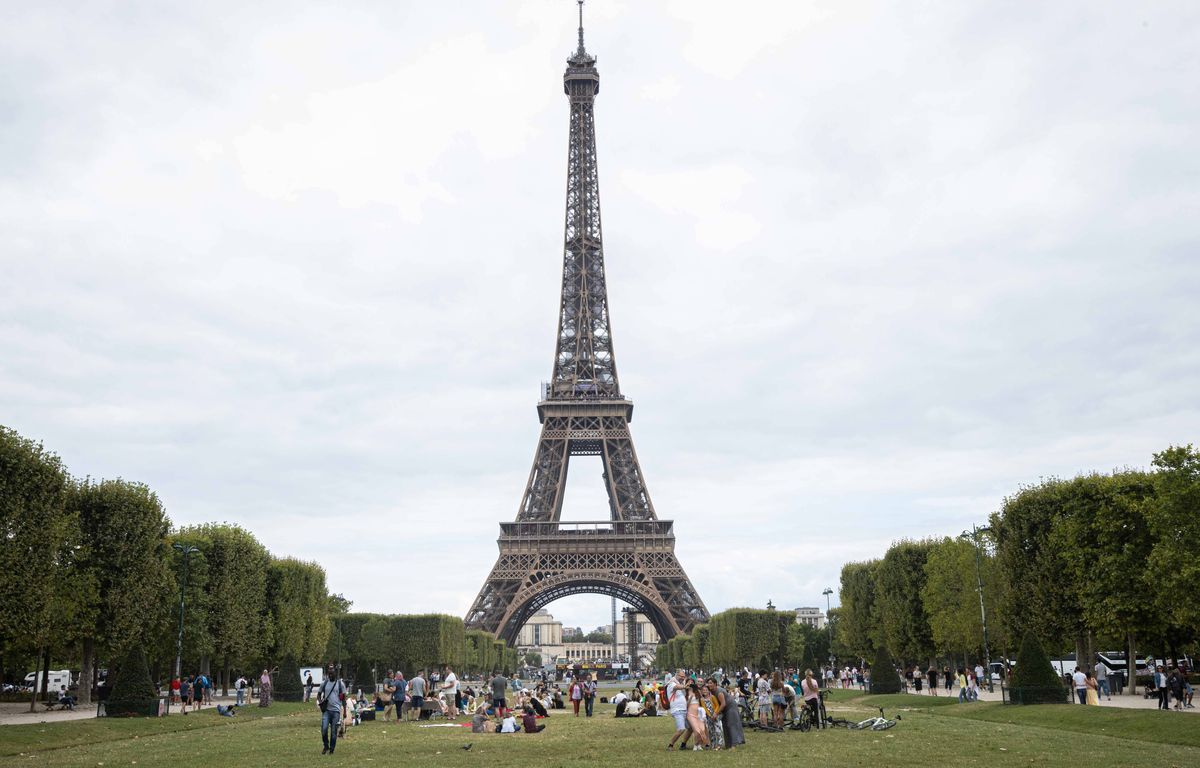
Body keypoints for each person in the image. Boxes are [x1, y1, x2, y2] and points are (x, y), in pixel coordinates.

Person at [317, 664, 347, 755]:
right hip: (326, 711)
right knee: (324, 730)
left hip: (336, 711)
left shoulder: (340, 684)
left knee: (334, 732)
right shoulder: (324, 683)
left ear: (335, 674)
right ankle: (326, 746)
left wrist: (345, 711)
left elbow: (344, 698)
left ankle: (332, 749)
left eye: (332, 674)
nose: (330, 675)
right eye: (329, 674)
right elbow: (318, 695)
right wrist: (321, 702)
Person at [666, 669, 690, 750]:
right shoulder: (671, 683)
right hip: (677, 710)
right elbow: (677, 687)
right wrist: (684, 686)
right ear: (676, 675)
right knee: (681, 729)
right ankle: (670, 745)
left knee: (691, 728)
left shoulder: (680, 683)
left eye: (684, 676)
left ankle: (683, 745)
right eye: (681, 676)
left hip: (684, 710)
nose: (683, 678)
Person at [684, 681, 710, 750]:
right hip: (690, 713)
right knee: (696, 730)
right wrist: (690, 698)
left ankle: (698, 744)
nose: (689, 687)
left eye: (690, 686)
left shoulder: (697, 692)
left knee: (701, 729)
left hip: (698, 713)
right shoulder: (686, 693)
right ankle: (695, 745)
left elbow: (702, 701)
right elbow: (686, 705)